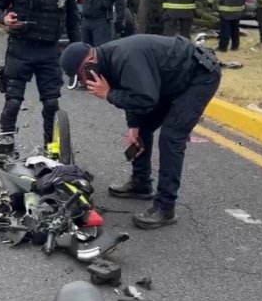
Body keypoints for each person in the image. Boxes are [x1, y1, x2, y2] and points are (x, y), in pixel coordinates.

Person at [59, 35, 221, 229]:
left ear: (89, 65)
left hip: (198, 77)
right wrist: (134, 125)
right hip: (168, 80)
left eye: (81, 78)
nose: (84, 84)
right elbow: (133, 91)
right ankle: (141, 183)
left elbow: (145, 99)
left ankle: (165, 207)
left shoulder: (125, 58)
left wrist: (109, 94)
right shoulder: (107, 62)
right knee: (143, 129)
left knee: (171, 137)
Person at [0, 0, 81, 148]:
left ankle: (51, 149)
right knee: (13, 103)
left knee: (51, 103)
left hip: (49, 51)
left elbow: (74, 24)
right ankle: (5, 147)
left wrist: (80, 57)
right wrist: (4, 19)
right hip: (20, 49)